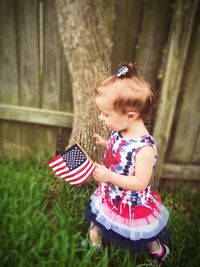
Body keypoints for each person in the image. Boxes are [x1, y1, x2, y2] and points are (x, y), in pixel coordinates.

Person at [85, 63, 170, 263]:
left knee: (144, 233)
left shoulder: (145, 149)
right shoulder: (120, 129)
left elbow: (140, 182)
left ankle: (158, 251)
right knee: (97, 219)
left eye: (105, 114)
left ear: (130, 116)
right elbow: (121, 151)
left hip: (130, 202)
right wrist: (106, 143)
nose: (101, 117)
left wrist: (109, 176)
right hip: (109, 192)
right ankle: (93, 247)